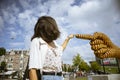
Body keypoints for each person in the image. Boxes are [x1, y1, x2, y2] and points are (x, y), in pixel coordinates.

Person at [28, 16, 74, 80]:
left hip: (60, 76)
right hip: (48, 77)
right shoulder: (37, 41)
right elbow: (32, 69)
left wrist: (68, 39)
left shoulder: (54, 43)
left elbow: (61, 49)